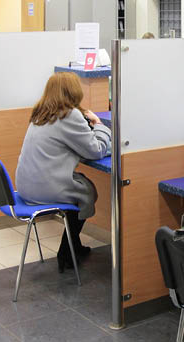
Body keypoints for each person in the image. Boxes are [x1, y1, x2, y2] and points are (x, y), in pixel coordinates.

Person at [16, 72, 111, 272]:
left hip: (26, 186)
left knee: (82, 185)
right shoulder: (69, 115)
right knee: (86, 192)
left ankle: (72, 246)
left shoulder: (41, 113)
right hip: (45, 188)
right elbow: (96, 150)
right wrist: (100, 126)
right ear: (74, 91)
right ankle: (67, 251)